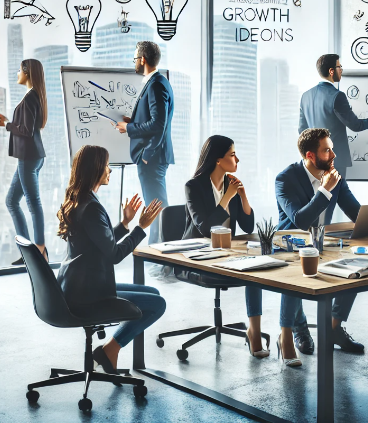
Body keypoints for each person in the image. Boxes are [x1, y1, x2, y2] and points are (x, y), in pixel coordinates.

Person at [56, 145, 165, 374]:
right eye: (106, 165)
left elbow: (99, 244)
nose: (109, 170)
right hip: (87, 294)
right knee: (157, 304)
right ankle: (109, 350)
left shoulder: (81, 200)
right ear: (95, 169)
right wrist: (140, 227)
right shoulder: (92, 207)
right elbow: (114, 254)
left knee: (152, 294)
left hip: (76, 286)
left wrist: (125, 224)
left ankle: (109, 351)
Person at [274, 128, 365, 358]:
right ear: (310, 156)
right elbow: (300, 219)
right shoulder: (285, 179)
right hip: (290, 245)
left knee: (355, 268)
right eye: (327, 150)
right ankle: (295, 330)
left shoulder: (335, 176)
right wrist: (325, 190)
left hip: (322, 243)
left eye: (332, 149)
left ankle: (334, 328)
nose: (333, 155)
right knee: (297, 274)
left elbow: (357, 213)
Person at [183, 135, 272, 360]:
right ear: (218, 160)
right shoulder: (193, 187)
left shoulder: (230, 184)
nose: (237, 159)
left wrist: (242, 197)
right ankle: (253, 333)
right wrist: (227, 198)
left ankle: (254, 332)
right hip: (199, 257)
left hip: (228, 254)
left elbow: (248, 225)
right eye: (232, 154)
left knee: (255, 270)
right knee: (251, 270)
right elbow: (205, 228)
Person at [298, 54, 368, 223]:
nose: (341, 70)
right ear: (332, 71)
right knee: (328, 205)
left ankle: (367, 226)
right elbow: (355, 125)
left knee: (324, 202)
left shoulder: (306, 96)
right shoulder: (337, 96)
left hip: (312, 162)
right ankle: (366, 228)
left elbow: (302, 130)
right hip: (334, 160)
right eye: (339, 67)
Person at [116, 40, 174, 246]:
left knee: (156, 208)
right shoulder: (156, 82)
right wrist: (134, 122)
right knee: (156, 206)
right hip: (153, 155)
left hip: (152, 156)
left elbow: (158, 125)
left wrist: (129, 129)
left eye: (135, 59)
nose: (135, 63)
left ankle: (162, 258)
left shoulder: (156, 84)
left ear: (142, 60)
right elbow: (156, 121)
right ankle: (162, 254)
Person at [0, 59, 48, 266]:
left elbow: (25, 130)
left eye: (19, 70)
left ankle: (39, 251)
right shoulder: (33, 95)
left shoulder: (31, 97)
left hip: (29, 158)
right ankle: (28, 252)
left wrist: (6, 124)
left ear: (27, 72)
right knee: (11, 201)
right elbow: (26, 126)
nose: (17, 73)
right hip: (31, 157)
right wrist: (8, 121)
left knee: (34, 204)